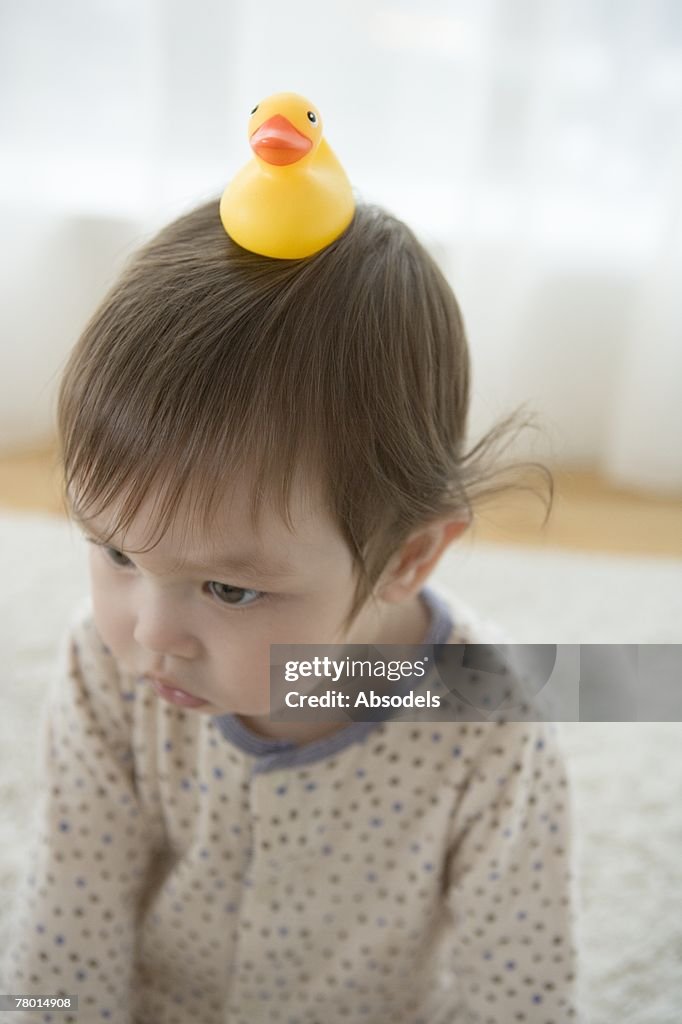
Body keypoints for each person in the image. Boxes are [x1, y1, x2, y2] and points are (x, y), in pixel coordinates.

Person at [1, 199, 582, 1023]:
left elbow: (520, 987)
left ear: (408, 557)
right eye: (117, 554)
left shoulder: (489, 723)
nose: (151, 634)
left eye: (230, 589)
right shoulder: (103, 664)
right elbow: (66, 918)